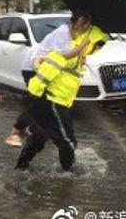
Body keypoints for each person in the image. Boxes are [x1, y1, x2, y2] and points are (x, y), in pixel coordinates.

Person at [15, 13, 106, 171]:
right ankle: (68, 175)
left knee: (41, 128)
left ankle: (21, 163)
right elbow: (64, 56)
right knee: (66, 139)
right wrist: (83, 46)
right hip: (35, 73)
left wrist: (83, 53)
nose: (85, 29)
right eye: (85, 25)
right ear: (78, 22)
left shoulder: (73, 37)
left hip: (51, 86)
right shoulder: (63, 35)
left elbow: (73, 57)